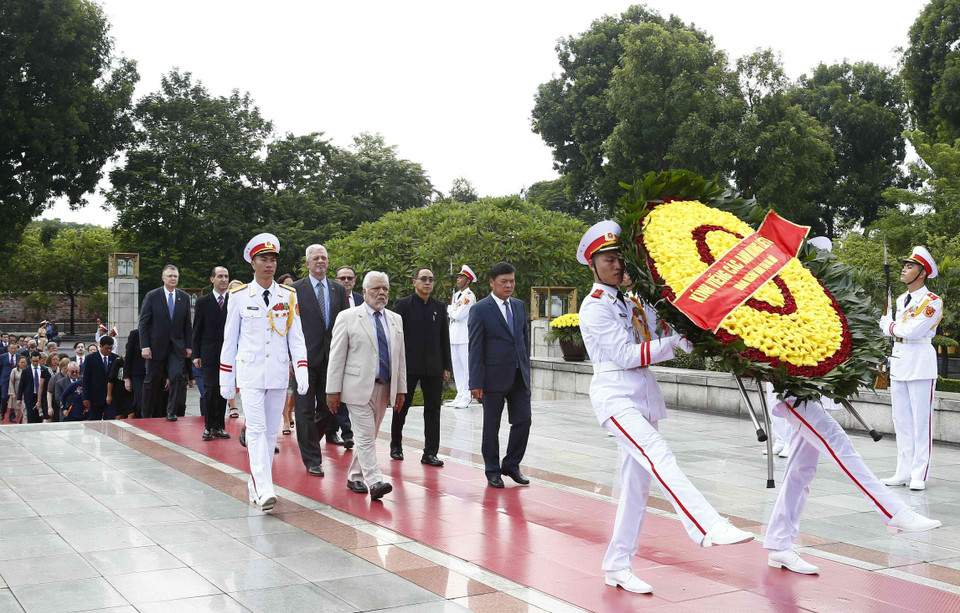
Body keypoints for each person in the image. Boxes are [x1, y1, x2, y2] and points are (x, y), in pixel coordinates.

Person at [576, 221, 755, 594]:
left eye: (619, 258)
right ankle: (706, 524)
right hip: (616, 396)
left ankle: (617, 565)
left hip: (642, 395)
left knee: (636, 488)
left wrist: (688, 334)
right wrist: (672, 344)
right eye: (607, 259)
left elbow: (658, 335)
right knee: (658, 455)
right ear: (592, 265)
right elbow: (625, 355)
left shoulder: (631, 300)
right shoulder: (594, 307)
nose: (616, 265)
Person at [219, 233, 309, 511]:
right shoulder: (239, 296)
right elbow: (229, 339)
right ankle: (265, 486)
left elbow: (296, 337)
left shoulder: (288, 295)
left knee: (271, 433)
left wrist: (302, 369)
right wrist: (227, 377)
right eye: (263, 259)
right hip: (250, 373)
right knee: (256, 429)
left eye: (273, 260)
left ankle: (255, 483)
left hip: (278, 373)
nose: (269, 264)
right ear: (253, 263)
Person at [326, 271, 406, 501]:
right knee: (364, 435)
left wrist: (401, 389)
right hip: (356, 386)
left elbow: (400, 358)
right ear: (365, 290)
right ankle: (375, 480)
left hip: (384, 386)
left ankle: (354, 476)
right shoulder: (348, 317)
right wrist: (333, 390)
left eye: (385, 289)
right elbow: (337, 356)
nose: (381, 293)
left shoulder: (395, 319)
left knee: (368, 435)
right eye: (376, 289)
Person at [879, 246, 943, 491]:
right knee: (901, 420)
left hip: (920, 362)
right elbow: (898, 328)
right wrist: (891, 326)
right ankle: (902, 470)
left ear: (922, 273)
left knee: (920, 421)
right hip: (899, 360)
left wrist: (888, 326)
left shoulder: (932, 302)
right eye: (904, 266)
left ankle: (919, 474)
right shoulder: (899, 299)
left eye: (909, 267)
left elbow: (914, 331)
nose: (904, 270)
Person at [468, 261, 532, 488]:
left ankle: (511, 464)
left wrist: (526, 371)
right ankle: (492, 470)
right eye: (504, 281)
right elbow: (475, 347)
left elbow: (524, 341)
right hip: (492, 378)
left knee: (523, 421)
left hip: (519, 376)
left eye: (512, 281)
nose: (509, 285)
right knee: (491, 425)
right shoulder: (480, 309)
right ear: (492, 282)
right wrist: (475, 381)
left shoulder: (519, 306)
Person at [291, 244, 349, 477]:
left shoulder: (337, 290)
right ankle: (312, 459)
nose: (320, 261)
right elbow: (288, 326)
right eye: (315, 258)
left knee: (329, 407)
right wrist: (289, 359)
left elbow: (345, 324)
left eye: (324, 257)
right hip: (303, 359)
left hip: (332, 359)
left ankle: (308, 439)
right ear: (307, 263)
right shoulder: (294, 290)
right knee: (304, 410)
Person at [391, 267, 452, 466]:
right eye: (423, 279)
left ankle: (430, 452)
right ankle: (396, 445)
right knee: (402, 407)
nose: (428, 283)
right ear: (414, 282)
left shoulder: (439, 306)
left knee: (433, 409)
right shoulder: (403, 305)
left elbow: (444, 337)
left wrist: (447, 366)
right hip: (408, 365)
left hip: (433, 366)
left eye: (431, 279)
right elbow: (396, 337)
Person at [139, 264, 193, 420]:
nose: (173, 279)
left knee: (176, 376)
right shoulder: (152, 296)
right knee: (152, 381)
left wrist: (188, 346)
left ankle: (171, 411)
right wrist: (145, 346)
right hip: (155, 347)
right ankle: (146, 413)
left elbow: (187, 324)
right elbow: (144, 323)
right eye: (170, 276)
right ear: (163, 278)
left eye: (175, 276)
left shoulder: (184, 297)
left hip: (176, 347)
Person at [193, 266, 232, 441]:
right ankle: (208, 427)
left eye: (226, 276)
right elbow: (197, 330)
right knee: (210, 390)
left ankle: (219, 426)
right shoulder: (203, 302)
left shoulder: (233, 301)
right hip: (208, 354)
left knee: (223, 390)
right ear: (212, 279)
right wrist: (196, 354)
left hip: (228, 354)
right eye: (220, 276)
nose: (224, 279)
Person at [327, 266, 361, 445]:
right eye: (342, 278)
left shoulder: (361, 300)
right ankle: (346, 433)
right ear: (336, 280)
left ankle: (336, 431)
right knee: (336, 393)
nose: (346, 281)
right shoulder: (330, 299)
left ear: (355, 280)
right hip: (336, 352)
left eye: (350, 278)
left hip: (357, 355)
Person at [447, 264, 476, 409]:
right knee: (457, 367)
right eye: (458, 277)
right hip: (454, 335)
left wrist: (451, 311)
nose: (458, 279)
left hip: (464, 336)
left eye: (461, 277)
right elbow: (452, 311)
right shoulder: (456, 295)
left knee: (466, 368)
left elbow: (459, 314)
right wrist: (452, 311)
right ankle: (460, 394)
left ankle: (467, 396)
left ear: (468, 281)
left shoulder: (469, 296)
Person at [82, 336, 118, 420]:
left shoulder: (115, 358)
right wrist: (85, 397)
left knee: (110, 419)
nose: (109, 351)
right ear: (100, 346)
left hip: (110, 396)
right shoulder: (90, 359)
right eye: (106, 348)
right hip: (95, 397)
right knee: (95, 420)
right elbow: (86, 379)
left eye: (110, 348)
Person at [225, 280, 244, 419]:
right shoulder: (226, 306)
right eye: (233, 290)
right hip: (230, 346)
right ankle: (233, 406)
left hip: (243, 347)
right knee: (231, 376)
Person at [17, 352, 50, 423]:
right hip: (30, 396)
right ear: (30, 360)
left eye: (37, 361)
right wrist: (19, 398)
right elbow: (22, 385)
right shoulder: (26, 371)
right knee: (31, 416)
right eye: (33, 361)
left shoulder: (44, 370)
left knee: (41, 416)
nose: (35, 363)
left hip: (42, 396)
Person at [124, 329, 146, 418]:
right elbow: (128, 356)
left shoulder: (157, 332)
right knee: (139, 402)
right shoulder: (135, 334)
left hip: (154, 373)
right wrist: (126, 378)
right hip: (137, 374)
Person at [107, 354, 135, 419]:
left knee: (131, 414)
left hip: (131, 393)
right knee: (119, 416)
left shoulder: (135, 362)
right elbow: (111, 379)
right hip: (118, 393)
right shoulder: (118, 361)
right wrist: (109, 395)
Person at [1, 342, 19, 421]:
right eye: (12, 348)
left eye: (15, 348)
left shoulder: (19, 357)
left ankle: (12, 416)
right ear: (8, 348)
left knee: (13, 398)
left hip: (15, 380)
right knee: (4, 397)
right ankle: (3, 412)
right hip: (5, 380)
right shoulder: (2, 357)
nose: (13, 350)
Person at [7, 355, 27, 423]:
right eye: (21, 362)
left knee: (24, 410)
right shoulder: (14, 371)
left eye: (24, 362)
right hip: (16, 392)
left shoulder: (28, 370)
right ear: (18, 363)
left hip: (25, 393)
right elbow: (11, 382)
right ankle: (18, 422)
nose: (23, 364)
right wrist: (12, 393)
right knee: (17, 410)